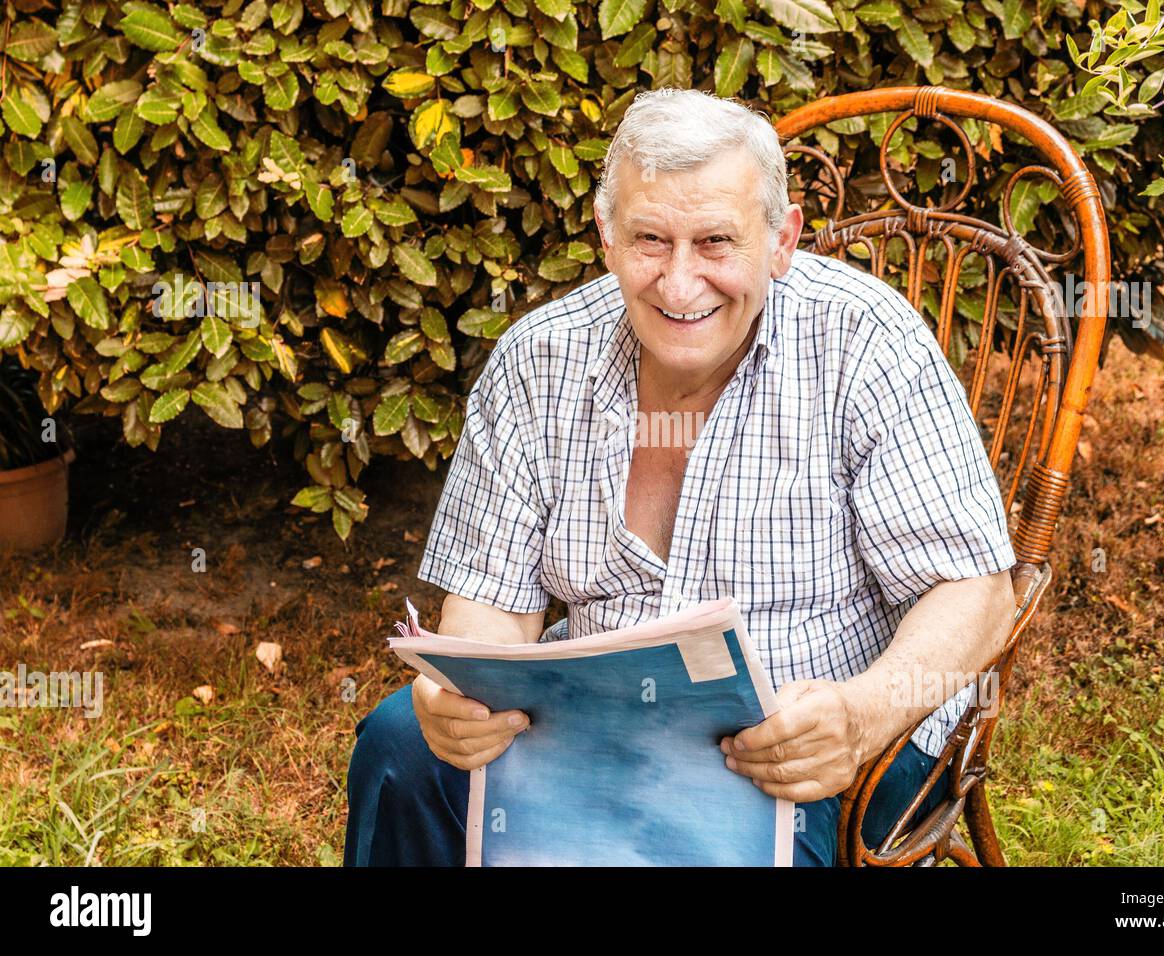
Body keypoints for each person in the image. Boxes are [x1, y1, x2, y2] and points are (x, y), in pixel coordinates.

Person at [344, 88, 1016, 866]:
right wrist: (462, 698)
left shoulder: (865, 342)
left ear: (782, 238)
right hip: (598, 727)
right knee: (399, 744)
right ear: (605, 236)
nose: (679, 282)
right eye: (651, 239)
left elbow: (976, 591)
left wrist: (860, 715)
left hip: (808, 745)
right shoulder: (540, 360)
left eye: (716, 242)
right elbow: (488, 607)